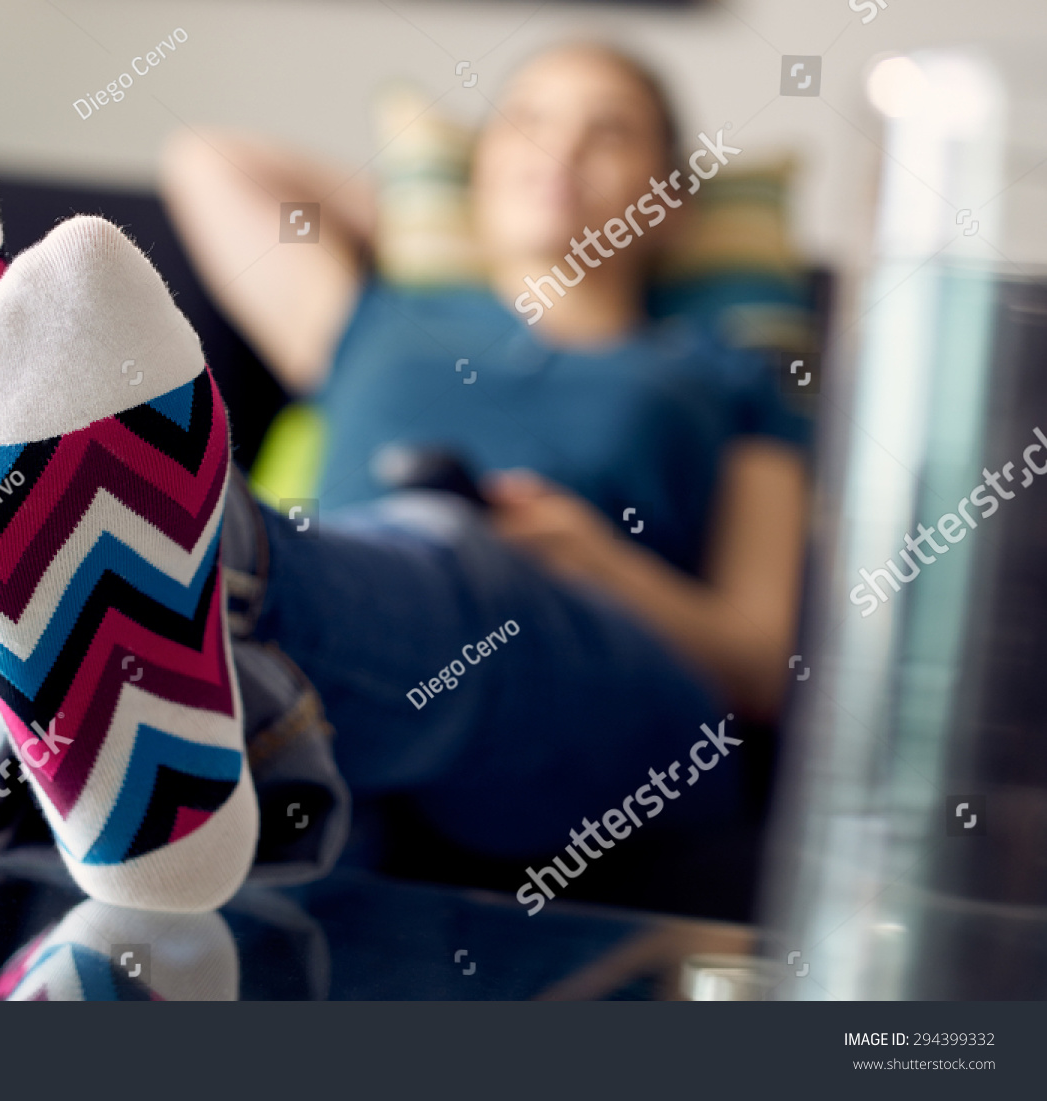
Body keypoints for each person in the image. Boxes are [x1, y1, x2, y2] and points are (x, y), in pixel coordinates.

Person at [158, 44, 810, 858]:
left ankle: (174, 591)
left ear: (671, 201)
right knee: (327, 794)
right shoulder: (373, 317)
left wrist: (594, 560)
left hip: (615, 685)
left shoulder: (728, 375)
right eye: (527, 125)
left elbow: (759, 668)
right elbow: (203, 161)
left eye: (608, 133)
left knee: (465, 561)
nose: (560, 153)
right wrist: (424, 207)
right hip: (373, 682)